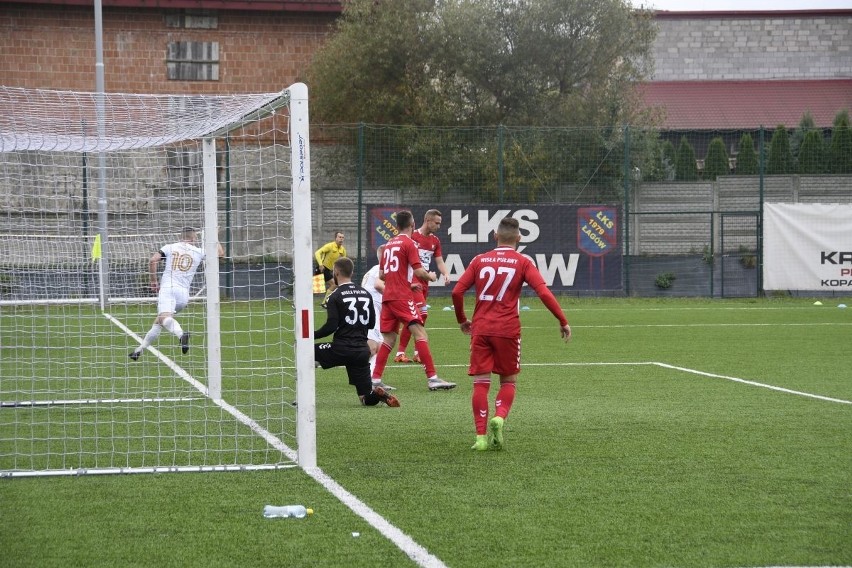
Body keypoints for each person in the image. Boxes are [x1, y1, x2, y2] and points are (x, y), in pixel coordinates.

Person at [451, 217, 571, 451]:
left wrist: (462, 320)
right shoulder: (523, 262)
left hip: (482, 328)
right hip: (507, 329)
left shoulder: (479, 260)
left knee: (480, 383)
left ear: (495, 236)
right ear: (519, 238)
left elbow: (457, 291)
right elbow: (543, 293)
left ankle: (480, 438)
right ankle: (500, 417)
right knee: (508, 380)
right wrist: (562, 320)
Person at [371, 210, 456, 391]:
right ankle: (433, 378)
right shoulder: (409, 243)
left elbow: (382, 275)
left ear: (396, 226)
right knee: (421, 334)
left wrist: (403, 282)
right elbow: (419, 272)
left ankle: (375, 379)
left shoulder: (388, 244)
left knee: (389, 338)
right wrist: (431, 276)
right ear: (412, 225)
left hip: (388, 297)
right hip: (402, 297)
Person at [315, 256, 399, 407]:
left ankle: (303, 397)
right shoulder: (366, 294)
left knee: (306, 352)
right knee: (366, 398)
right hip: (361, 351)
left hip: (341, 349)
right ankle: (377, 394)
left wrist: (311, 336)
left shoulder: (335, 295)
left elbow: (331, 326)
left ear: (336, 272)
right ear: (352, 273)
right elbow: (372, 322)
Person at [129, 227, 224, 361]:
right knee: (159, 321)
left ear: (181, 236)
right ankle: (138, 351)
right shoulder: (199, 251)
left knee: (163, 318)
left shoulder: (170, 247)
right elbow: (220, 254)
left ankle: (181, 334)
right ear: (194, 238)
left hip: (168, 289)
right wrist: (215, 237)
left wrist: (153, 281)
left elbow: (152, 260)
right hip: (183, 295)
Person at [395, 209, 451, 364]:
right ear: (428, 220)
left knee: (416, 317)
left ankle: (413, 352)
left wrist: (445, 273)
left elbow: (439, 261)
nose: (439, 226)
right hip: (413, 281)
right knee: (421, 313)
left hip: (425, 282)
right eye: (437, 223)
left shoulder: (435, 241)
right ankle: (404, 352)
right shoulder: (412, 236)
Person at [360, 245, 395, 389]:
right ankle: (367, 378)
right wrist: (396, 295)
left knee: (380, 345)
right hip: (371, 310)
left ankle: (371, 377)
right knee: (374, 347)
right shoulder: (380, 269)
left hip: (372, 309)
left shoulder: (375, 269)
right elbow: (379, 285)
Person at [314, 230, 346, 307]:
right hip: (322, 269)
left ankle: (325, 302)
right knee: (315, 288)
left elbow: (343, 261)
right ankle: (325, 302)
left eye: (342, 237)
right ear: (335, 238)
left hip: (328, 270)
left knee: (333, 284)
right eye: (339, 237)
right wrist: (320, 265)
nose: (341, 239)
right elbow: (317, 253)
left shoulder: (342, 250)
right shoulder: (330, 246)